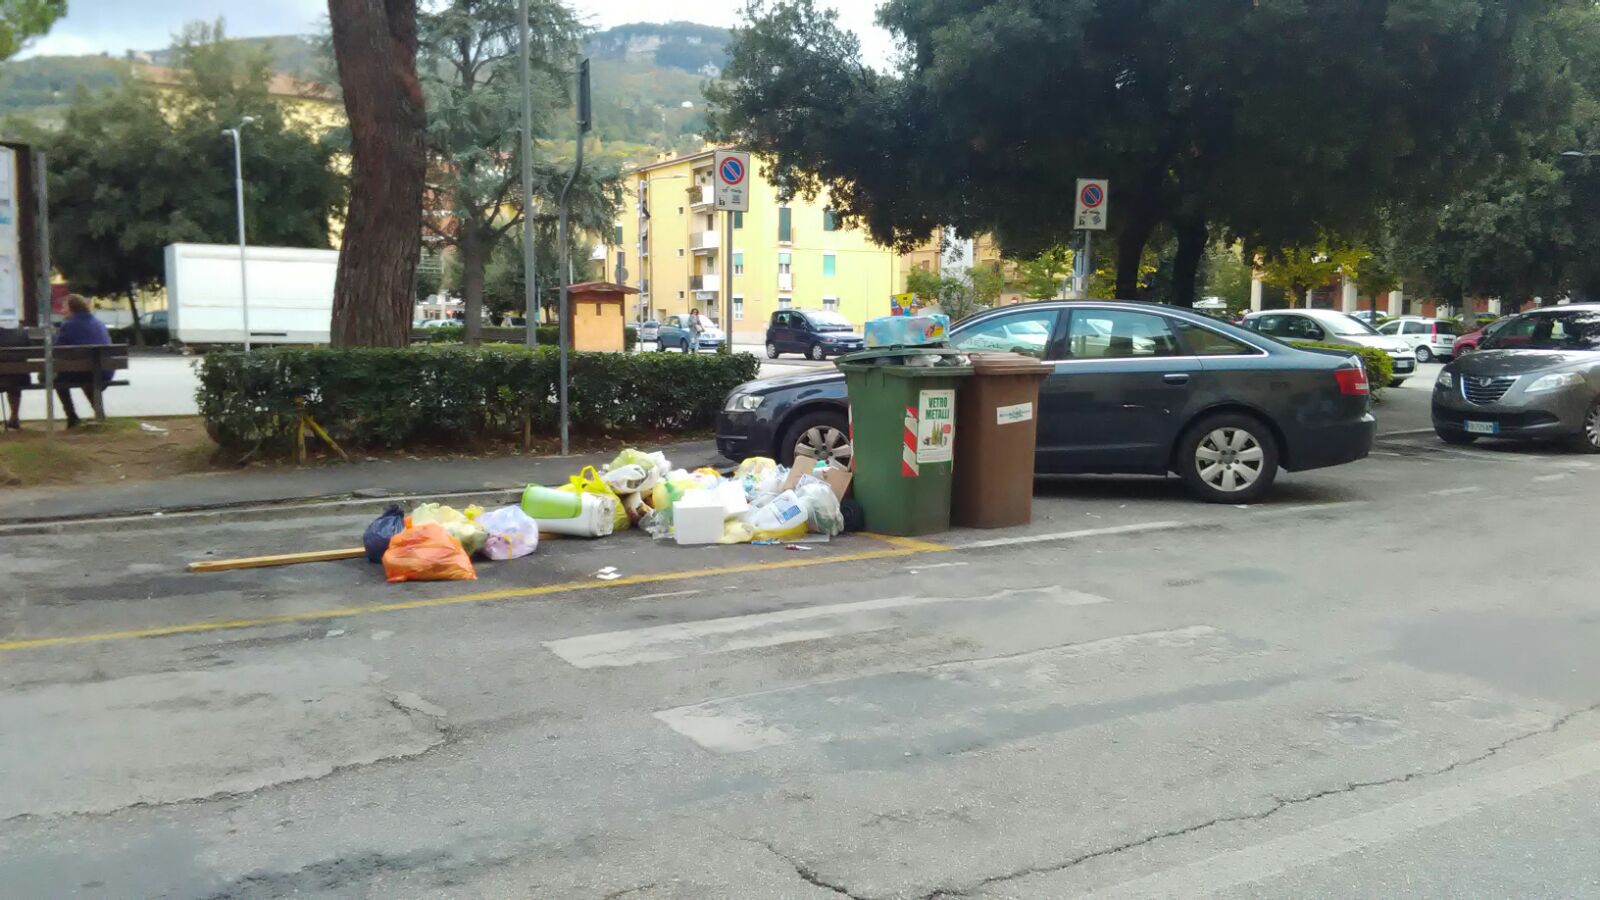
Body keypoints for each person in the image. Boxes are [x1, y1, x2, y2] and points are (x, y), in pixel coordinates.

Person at [54, 294, 111, 428]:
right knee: (86, 374)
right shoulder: (99, 323)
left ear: (72, 309)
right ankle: (99, 414)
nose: (62, 311)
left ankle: (72, 417)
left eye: (64, 307)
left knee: (57, 380)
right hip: (103, 372)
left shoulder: (68, 326)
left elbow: (56, 350)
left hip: (85, 372)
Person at [0, 322, 29, 430]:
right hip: (20, 378)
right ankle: (14, 417)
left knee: (9, 377)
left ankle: (14, 418)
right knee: (14, 378)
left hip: (2, 377)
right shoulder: (22, 334)